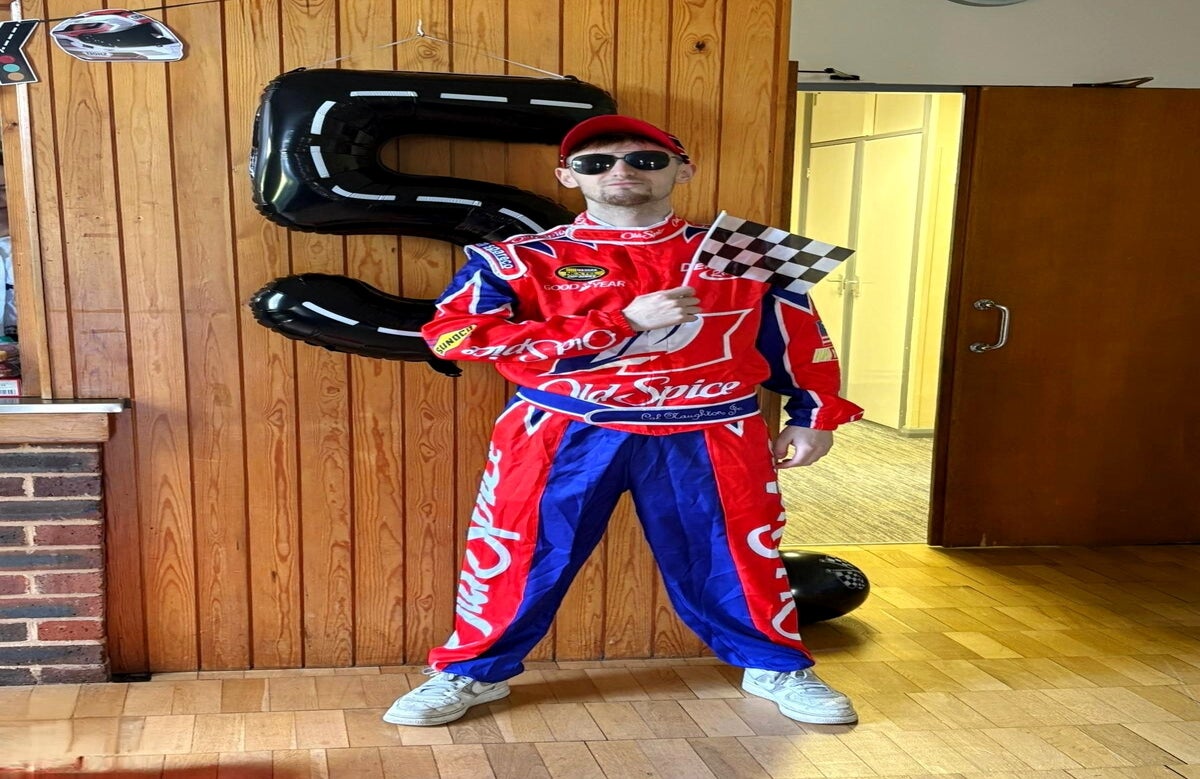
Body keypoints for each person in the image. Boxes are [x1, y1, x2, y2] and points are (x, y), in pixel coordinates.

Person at [385, 115, 864, 728]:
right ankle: (470, 672)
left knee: (741, 555)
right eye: (596, 163)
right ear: (568, 176)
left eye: (645, 159)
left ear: (682, 171)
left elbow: (800, 338)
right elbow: (451, 336)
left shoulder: (748, 255)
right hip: (563, 429)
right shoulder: (519, 259)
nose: (621, 171)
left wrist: (815, 413)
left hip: (712, 427)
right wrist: (621, 323)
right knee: (518, 551)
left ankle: (775, 665)